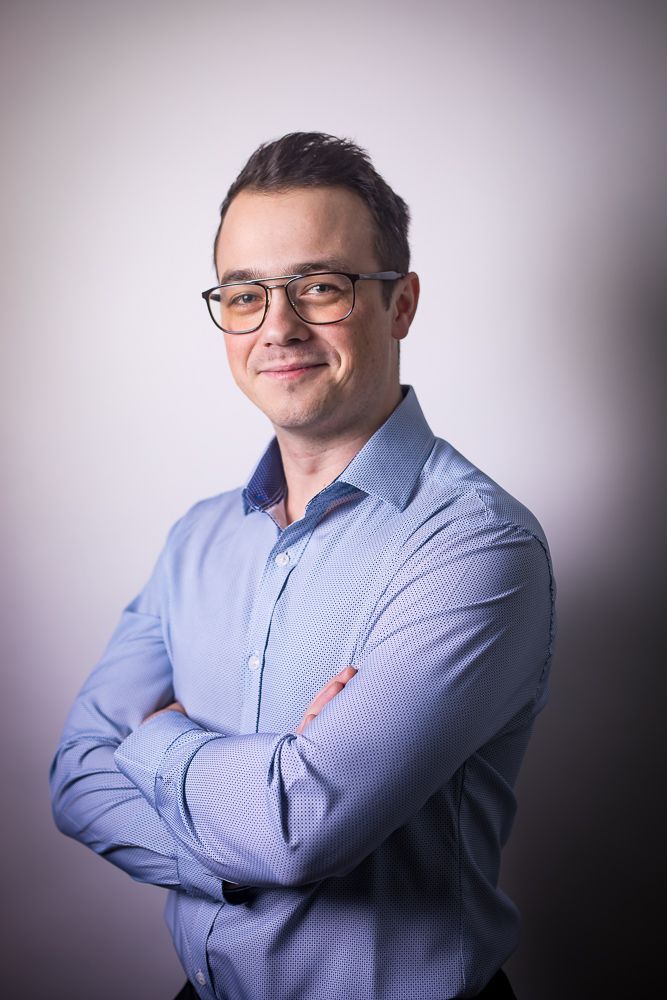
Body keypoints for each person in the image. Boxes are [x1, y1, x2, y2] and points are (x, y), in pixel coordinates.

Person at [50, 132, 555, 1000]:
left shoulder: (478, 547)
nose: (277, 327)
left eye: (319, 287)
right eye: (245, 294)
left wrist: (155, 739)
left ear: (400, 305)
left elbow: (297, 830)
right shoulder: (197, 539)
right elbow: (74, 777)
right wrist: (251, 812)